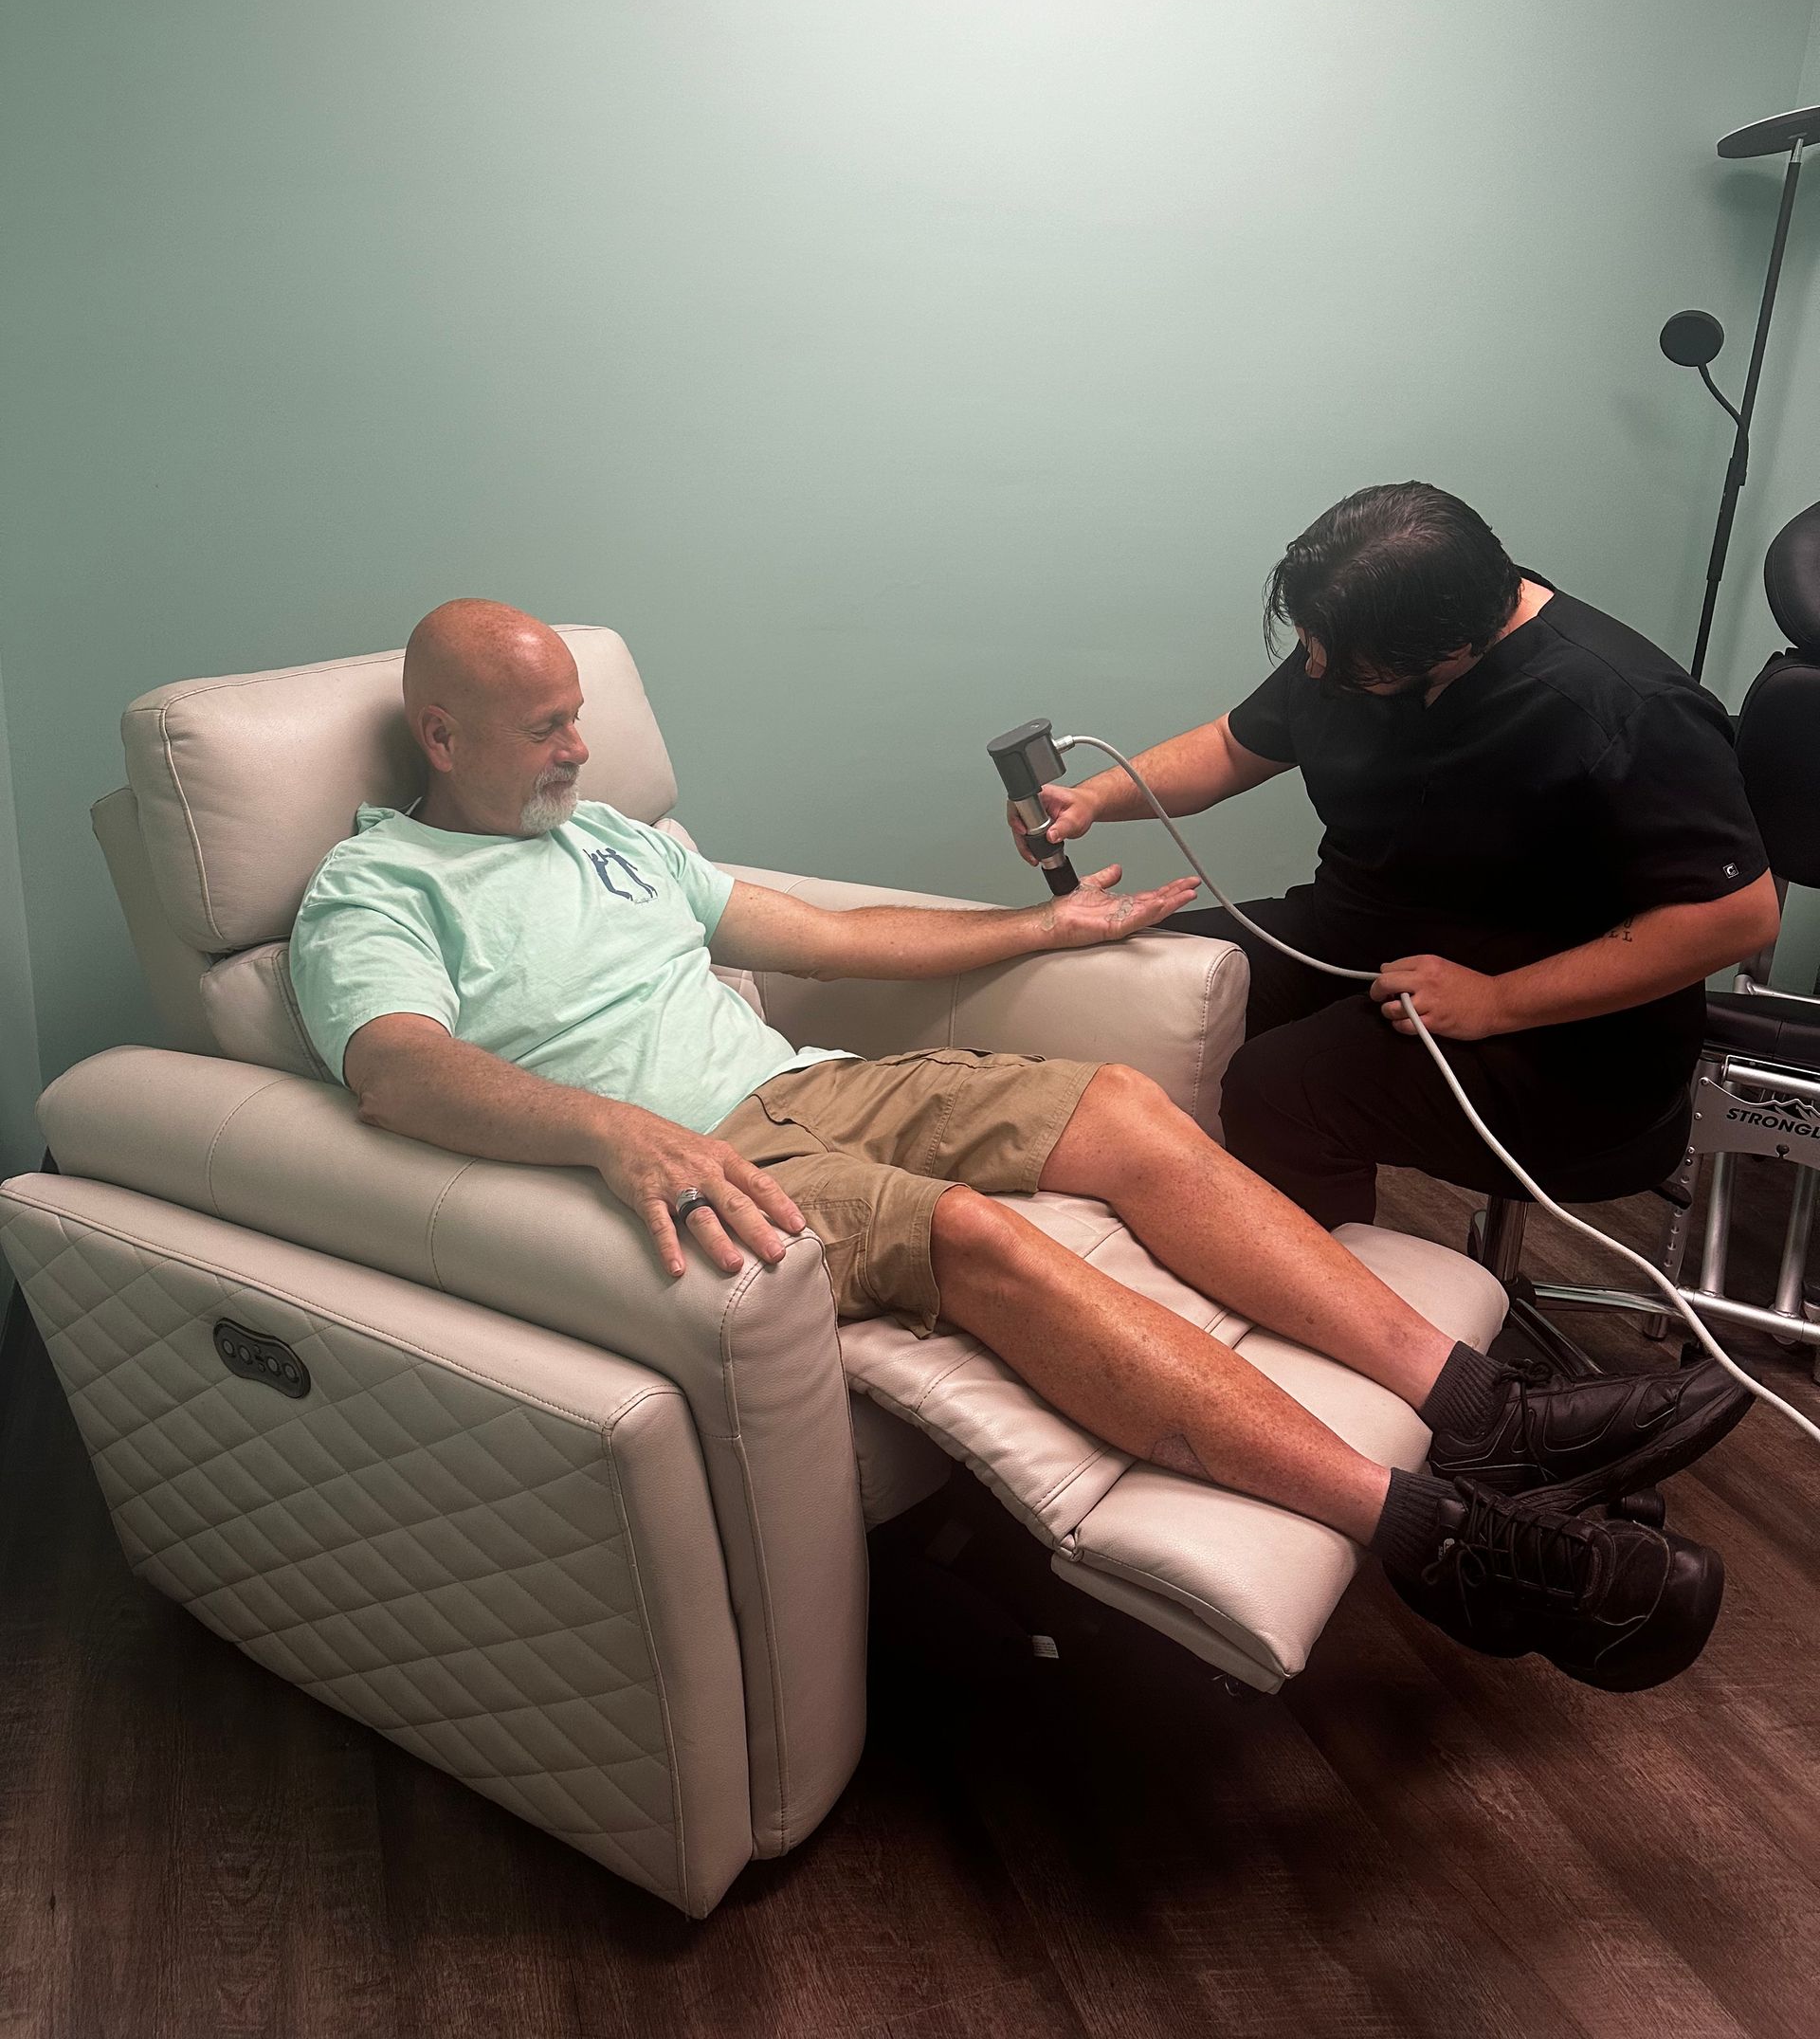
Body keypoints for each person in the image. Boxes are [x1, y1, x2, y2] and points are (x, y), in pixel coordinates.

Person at [291, 598, 1752, 1694]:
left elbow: (825, 935)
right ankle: (1451, 1544)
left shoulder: (607, 834)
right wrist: (613, 1132)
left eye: (575, 716)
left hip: (802, 1089)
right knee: (973, 1232)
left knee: (1117, 1103)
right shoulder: (380, 887)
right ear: (442, 735)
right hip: (698, 1165)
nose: (579, 744)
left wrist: (1039, 928)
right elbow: (396, 1071)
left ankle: (1482, 1407)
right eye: (546, 726)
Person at [1010, 482, 1780, 1231]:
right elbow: (1231, 745)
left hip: (1560, 1033)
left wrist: (1499, 1002)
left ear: (1451, 648)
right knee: (1136, 984)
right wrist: (1094, 800)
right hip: (1361, 934)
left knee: (1282, 1091)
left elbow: (1734, 917)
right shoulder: (1361, 633)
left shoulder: (1625, 707)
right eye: (1312, 649)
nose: (1315, 674)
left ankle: (1315, 1331)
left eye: (1337, 665)